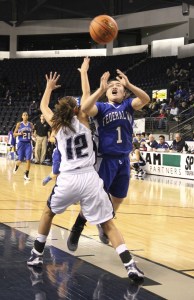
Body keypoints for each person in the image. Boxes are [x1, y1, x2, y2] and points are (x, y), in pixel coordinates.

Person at [27, 71, 144, 281]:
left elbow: (44, 106)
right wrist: (91, 78)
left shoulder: (55, 124)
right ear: (76, 109)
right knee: (109, 223)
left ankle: (36, 255)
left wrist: (49, 88)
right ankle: (130, 265)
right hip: (90, 177)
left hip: (69, 178)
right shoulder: (83, 119)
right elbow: (87, 93)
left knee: (48, 213)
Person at [67, 57, 150, 249]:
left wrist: (129, 84)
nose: (114, 87)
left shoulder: (129, 105)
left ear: (123, 91)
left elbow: (145, 99)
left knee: (119, 197)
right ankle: (78, 226)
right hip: (105, 160)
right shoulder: (102, 108)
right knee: (96, 198)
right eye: (111, 86)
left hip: (124, 159)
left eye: (118, 86)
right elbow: (86, 107)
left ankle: (104, 225)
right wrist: (100, 89)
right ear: (107, 91)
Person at [13, 112, 33, 180]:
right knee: (20, 160)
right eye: (24, 115)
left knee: (28, 160)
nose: (25, 116)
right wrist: (19, 133)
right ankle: (16, 166)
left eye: (26, 115)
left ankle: (26, 175)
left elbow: (32, 133)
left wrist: (34, 136)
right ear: (22, 116)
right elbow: (14, 134)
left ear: (28, 116)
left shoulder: (31, 124)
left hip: (28, 144)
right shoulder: (19, 124)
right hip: (21, 143)